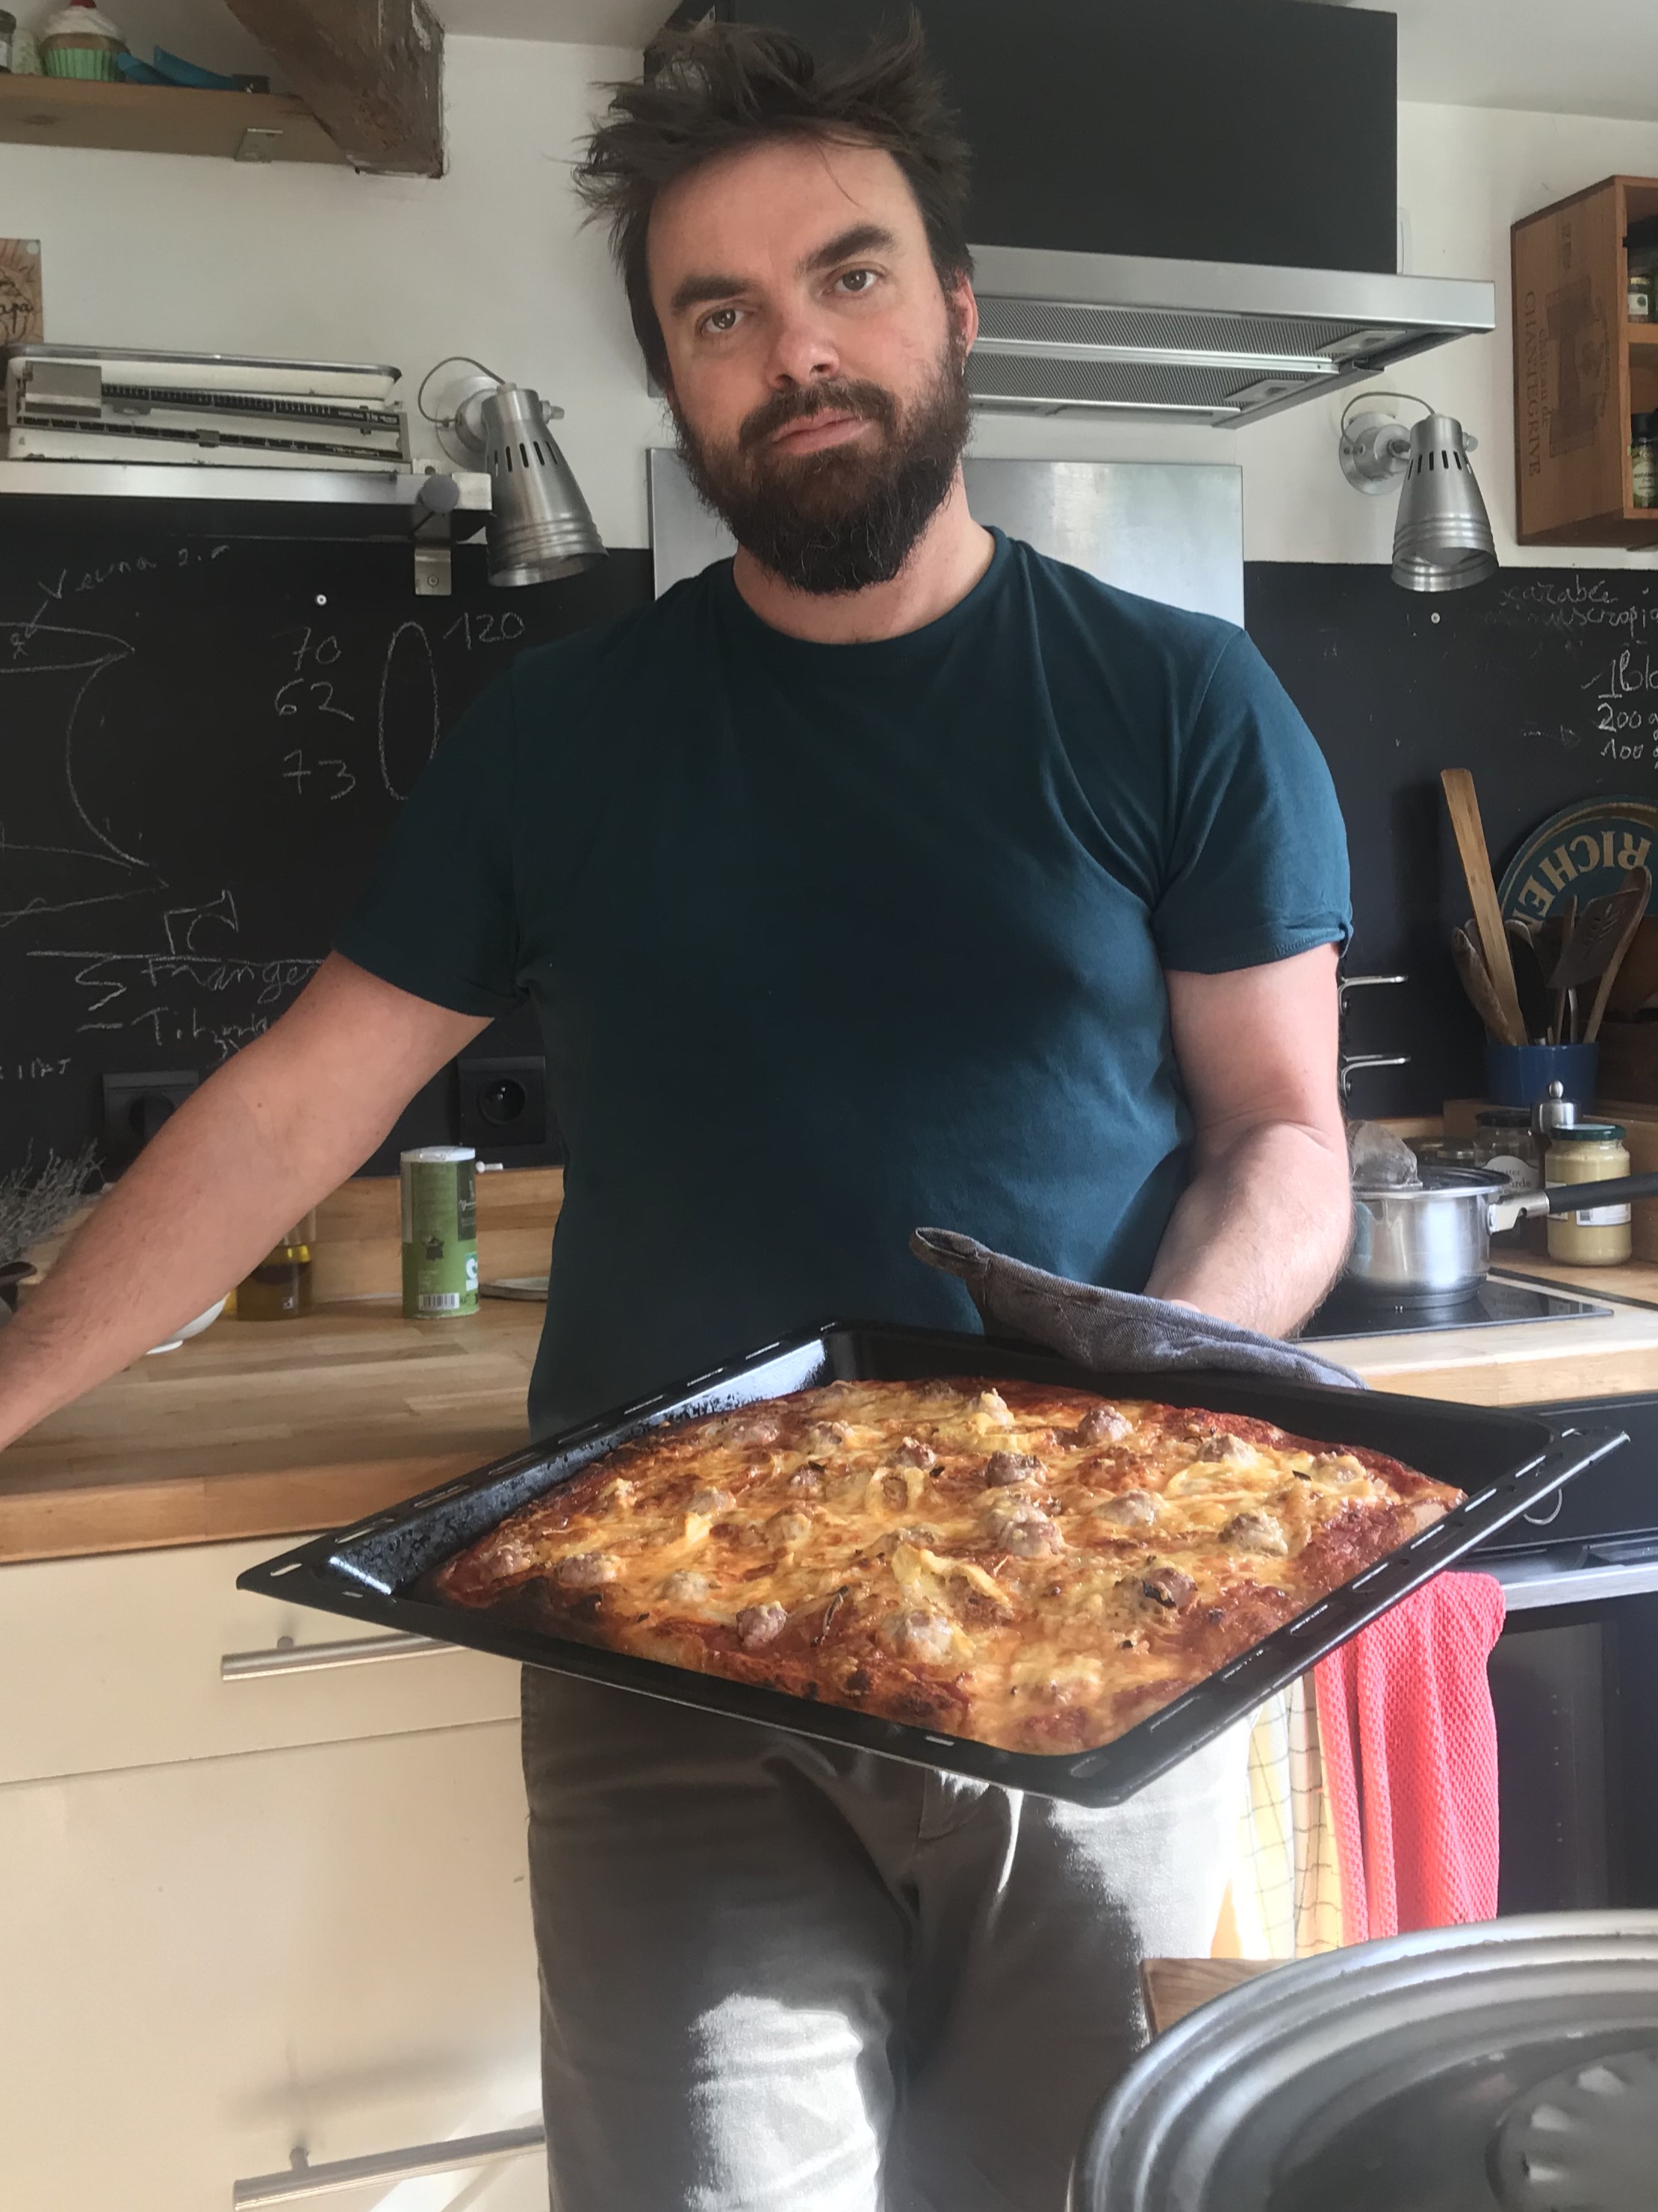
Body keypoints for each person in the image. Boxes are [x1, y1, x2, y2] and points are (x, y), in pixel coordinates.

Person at [0, 23, 1353, 2211]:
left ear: (955, 309)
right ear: (672, 375)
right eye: (719, 314)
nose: (793, 351)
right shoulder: (563, 737)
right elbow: (289, 1109)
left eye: (847, 279)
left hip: (1088, 1634)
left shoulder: (1177, 699)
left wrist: (1128, 1432)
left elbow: (1283, 1136)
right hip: (663, 1643)